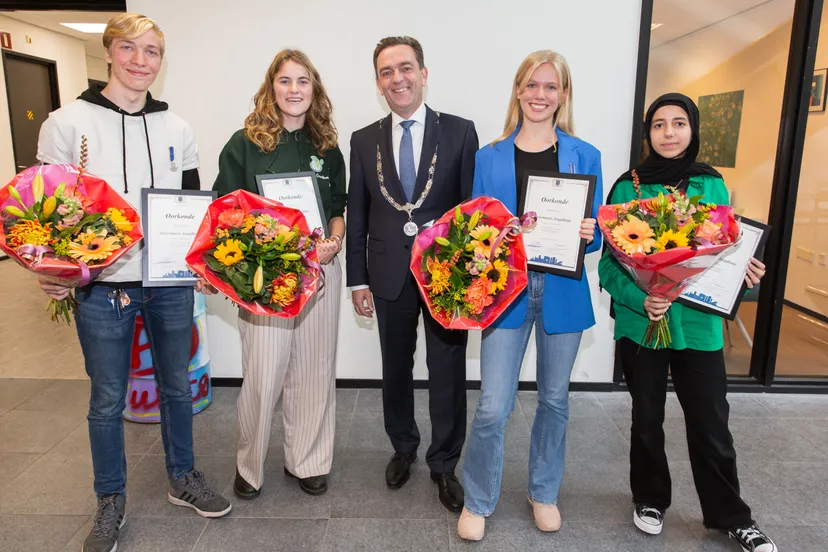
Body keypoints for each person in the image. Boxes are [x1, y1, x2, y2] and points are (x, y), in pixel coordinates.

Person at [36, 13, 231, 552]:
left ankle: (183, 477)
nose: (140, 61)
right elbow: (43, 210)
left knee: (176, 387)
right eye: (129, 48)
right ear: (108, 52)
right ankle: (109, 499)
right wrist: (51, 269)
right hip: (101, 287)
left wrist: (202, 267)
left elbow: (193, 208)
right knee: (106, 399)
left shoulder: (178, 128)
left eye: (152, 52)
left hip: (168, 283)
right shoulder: (65, 122)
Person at [598, 92, 775, 552]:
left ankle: (731, 516)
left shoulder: (710, 184)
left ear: (693, 129)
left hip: (698, 325)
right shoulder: (627, 188)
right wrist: (642, 298)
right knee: (647, 419)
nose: (669, 133)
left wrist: (746, 275)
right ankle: (650, 498)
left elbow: (727, 251)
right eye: (659, 124)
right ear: (648, 133)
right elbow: (609, 267)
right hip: (643, 325)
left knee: (711, 422)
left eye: (679, 123)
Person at [457, 50, 603, 541]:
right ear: (518, 90)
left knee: (555, 400)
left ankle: (543, 492)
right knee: (492, 405)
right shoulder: (489, 156)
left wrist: (589, 233)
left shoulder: (585, 155)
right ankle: (478, 499)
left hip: (563, 289)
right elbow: (476, 227)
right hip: (506, 292)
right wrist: (490, 240)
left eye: (550, 86)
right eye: (532, 85)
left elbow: (596, 238)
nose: (540, 95)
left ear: (563, 95)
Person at [346, 36, 478, 512]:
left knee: (447, 371)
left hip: (446, 277)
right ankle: (403, 447)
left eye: (405, 68)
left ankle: (444, 463)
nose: (397, 78)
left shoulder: (460, 132)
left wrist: (471, 279)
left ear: (423, 73)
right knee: (395, 368)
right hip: (386, 274)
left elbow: (471, 211)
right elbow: (357, 213)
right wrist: (357, 279)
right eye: (386, 71)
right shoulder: (363, 139)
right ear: (378, 82)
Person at [211, 49, 346, 498]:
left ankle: (308, 460)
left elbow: (337, 209)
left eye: (303, 81)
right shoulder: (243, 144)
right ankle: (249, 466)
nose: (294, 89)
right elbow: (225, 210)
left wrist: (334, 242)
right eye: (285, 80)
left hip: (320, 269)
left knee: (315, 370)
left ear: (314, 89)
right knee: (263, 374)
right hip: (266, 277)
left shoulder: (327, 147)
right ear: (271, 87)